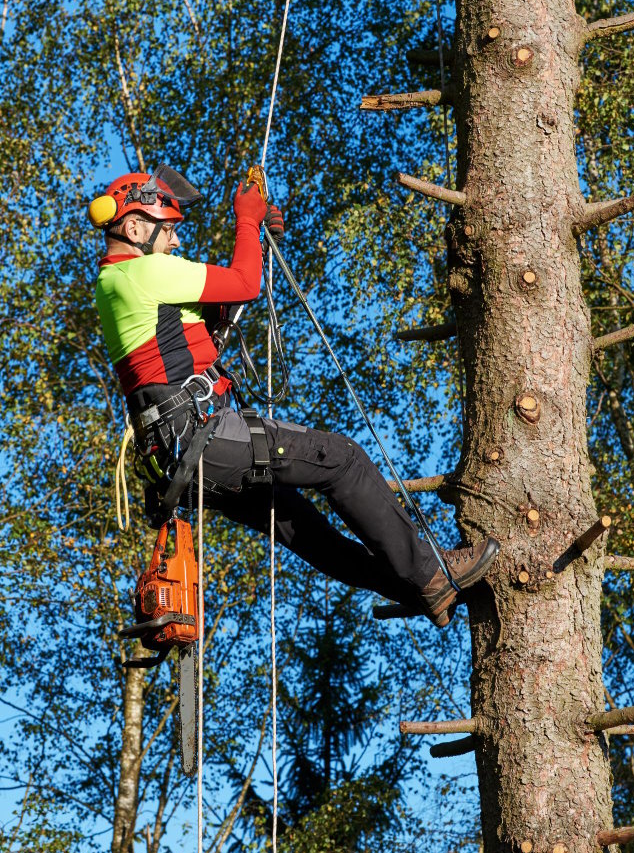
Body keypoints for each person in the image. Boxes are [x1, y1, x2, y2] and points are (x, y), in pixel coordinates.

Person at [91, 167, 499, 627]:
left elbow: (216, 311)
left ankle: (417, 588)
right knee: (341, 459)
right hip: (201, 437)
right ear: (134, 228)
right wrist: (247, 220)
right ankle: (431, 573)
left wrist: (258, 241)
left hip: (180, 459)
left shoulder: (119, 285)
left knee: (304, 529)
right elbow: (245, 284)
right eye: (167, 230)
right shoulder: (145, 273)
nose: (176, 241)